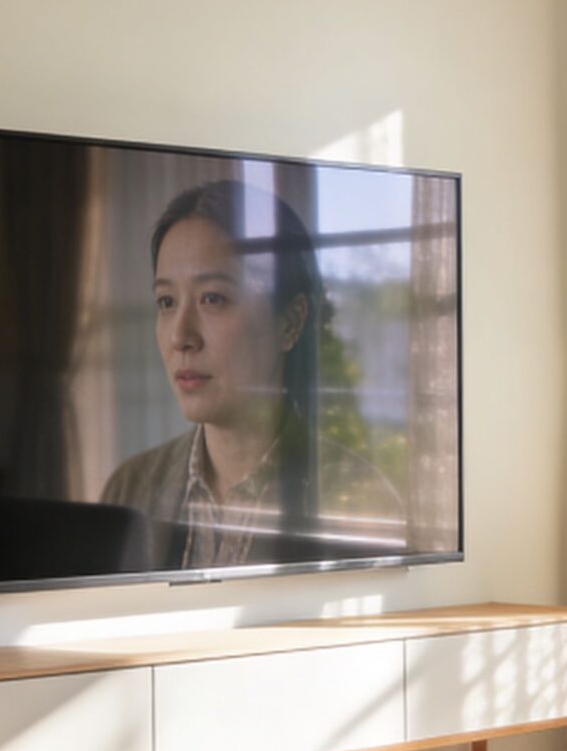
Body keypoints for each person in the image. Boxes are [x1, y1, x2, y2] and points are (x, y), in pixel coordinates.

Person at [101, 179, 402, 570]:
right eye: (167, 302)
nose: (180, 336)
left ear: (290, 322)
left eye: (213, 298)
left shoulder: (362, 501)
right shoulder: (129, 489)